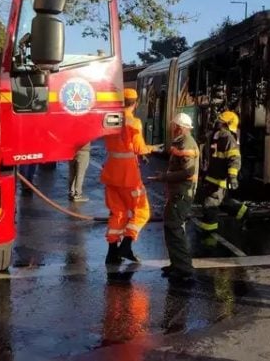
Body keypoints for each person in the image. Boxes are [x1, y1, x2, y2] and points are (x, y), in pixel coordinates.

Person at [101, 88, 162, 265]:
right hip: (128, 175)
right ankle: (126, 245)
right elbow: (139, 148)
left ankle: (112, 253)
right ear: (135, 104)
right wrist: (153, 148)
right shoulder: (134, 122)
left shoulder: (110, 119)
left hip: (111, 172)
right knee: (142, 211)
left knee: (118, 212)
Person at [150, 113, 199, 286]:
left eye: (174, 125)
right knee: (171, 227)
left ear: (180, 127)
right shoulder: (180, 142)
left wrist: (164, 177)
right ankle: (176, 265)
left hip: (182, 194)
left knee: (175, 228)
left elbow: (188, 172)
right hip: (177, 192)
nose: (172, 128)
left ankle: (184, 269)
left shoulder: (186, 143)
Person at [199, 110, 250, 233]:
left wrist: (232, 177)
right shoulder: (213, 135)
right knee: (222, 202)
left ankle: (208, 238)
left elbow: (234, 158)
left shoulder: (227, 138)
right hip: (211, 178)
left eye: (220, 123)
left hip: (218, 180)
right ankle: (244, 212)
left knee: (210, 206)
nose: (218, 124)